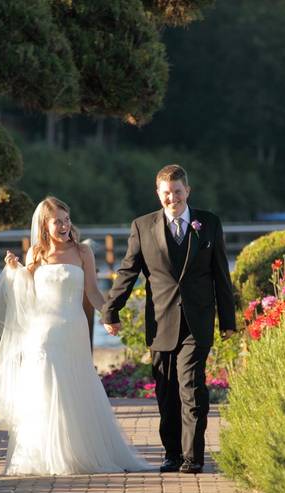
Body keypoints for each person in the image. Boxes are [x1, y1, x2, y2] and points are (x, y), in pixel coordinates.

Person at [0, 196, 151, 475]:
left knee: (75, 385)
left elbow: (92, 291)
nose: (65, 226)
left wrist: (108, 315)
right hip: (42, 331)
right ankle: (48, 454)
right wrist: (15, 271)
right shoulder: (36, 254)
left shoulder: (82, 252)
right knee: (46, 386)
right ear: (44, 224)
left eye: (67, 220)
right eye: (58, 221)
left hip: (73, 327)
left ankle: (78, 451)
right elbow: (27, 293)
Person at [101, 165, 236, 474]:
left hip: (197, 320)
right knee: (166, 390)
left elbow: (220, 275)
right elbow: (128, 271)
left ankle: (193, 457)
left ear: (187, 191)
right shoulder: (142, 226)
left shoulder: (209, 223)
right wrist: (112, 309)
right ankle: (172, 454)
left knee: (191, 386)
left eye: (177, 192)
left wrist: (228, 320)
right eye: (166, 193)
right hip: (160, 321)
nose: (172, 198)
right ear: (158, 194)